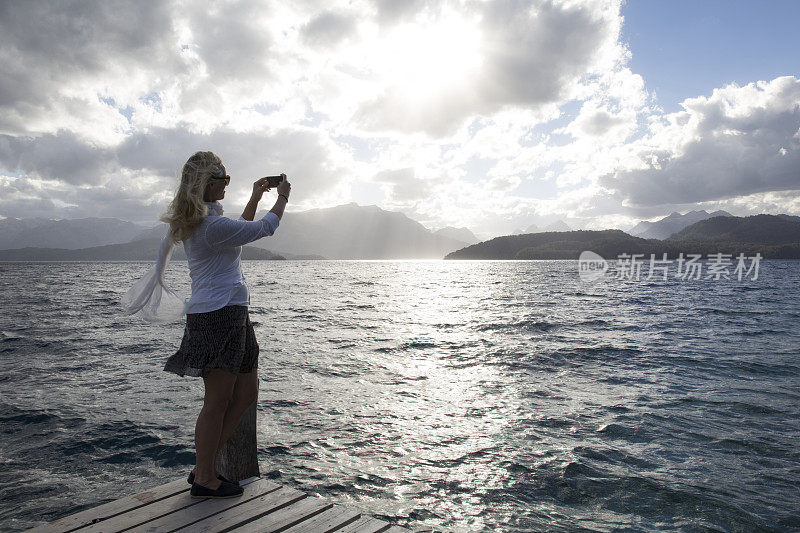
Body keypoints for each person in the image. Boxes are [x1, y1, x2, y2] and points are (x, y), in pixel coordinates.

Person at [125, 151, 291, 499]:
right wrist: (282, 200)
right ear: (207, 183)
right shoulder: (209, 226)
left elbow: (241, 231)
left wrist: (255, 197)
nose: (226, 184)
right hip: (217, 315)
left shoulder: (208, 224)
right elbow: (263, 229)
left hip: (230, 311)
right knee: (217, 400)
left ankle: (205, 465)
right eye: (223, 180)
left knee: (245, 393)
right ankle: (204, 476)